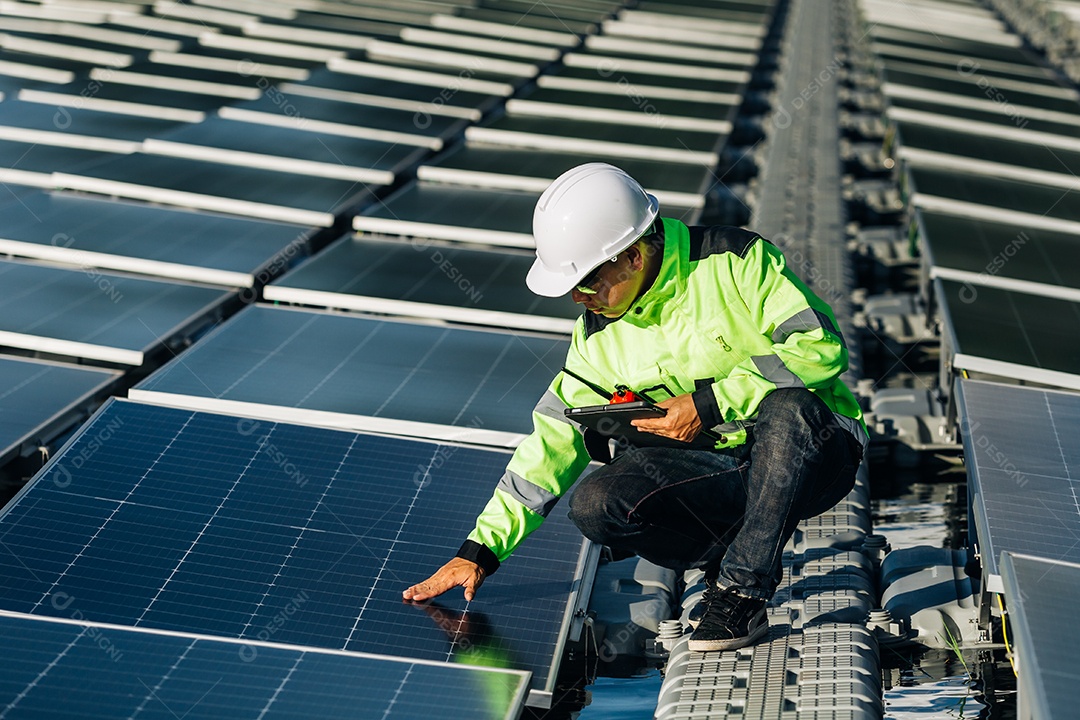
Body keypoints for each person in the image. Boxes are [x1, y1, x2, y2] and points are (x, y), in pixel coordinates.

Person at [403, 163, 866, 652]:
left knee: (789, 409)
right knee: (596, 504)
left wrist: (709, 405)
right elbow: (553, 440)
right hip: (724, 470)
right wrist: (480, 550)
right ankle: (730, 551)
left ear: (633, 254)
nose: (582, 297)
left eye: (589, 280)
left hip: (817, 453)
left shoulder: (735, 260)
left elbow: (820, 347)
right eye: (573, 288)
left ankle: (740, 592)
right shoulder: (596, 337)